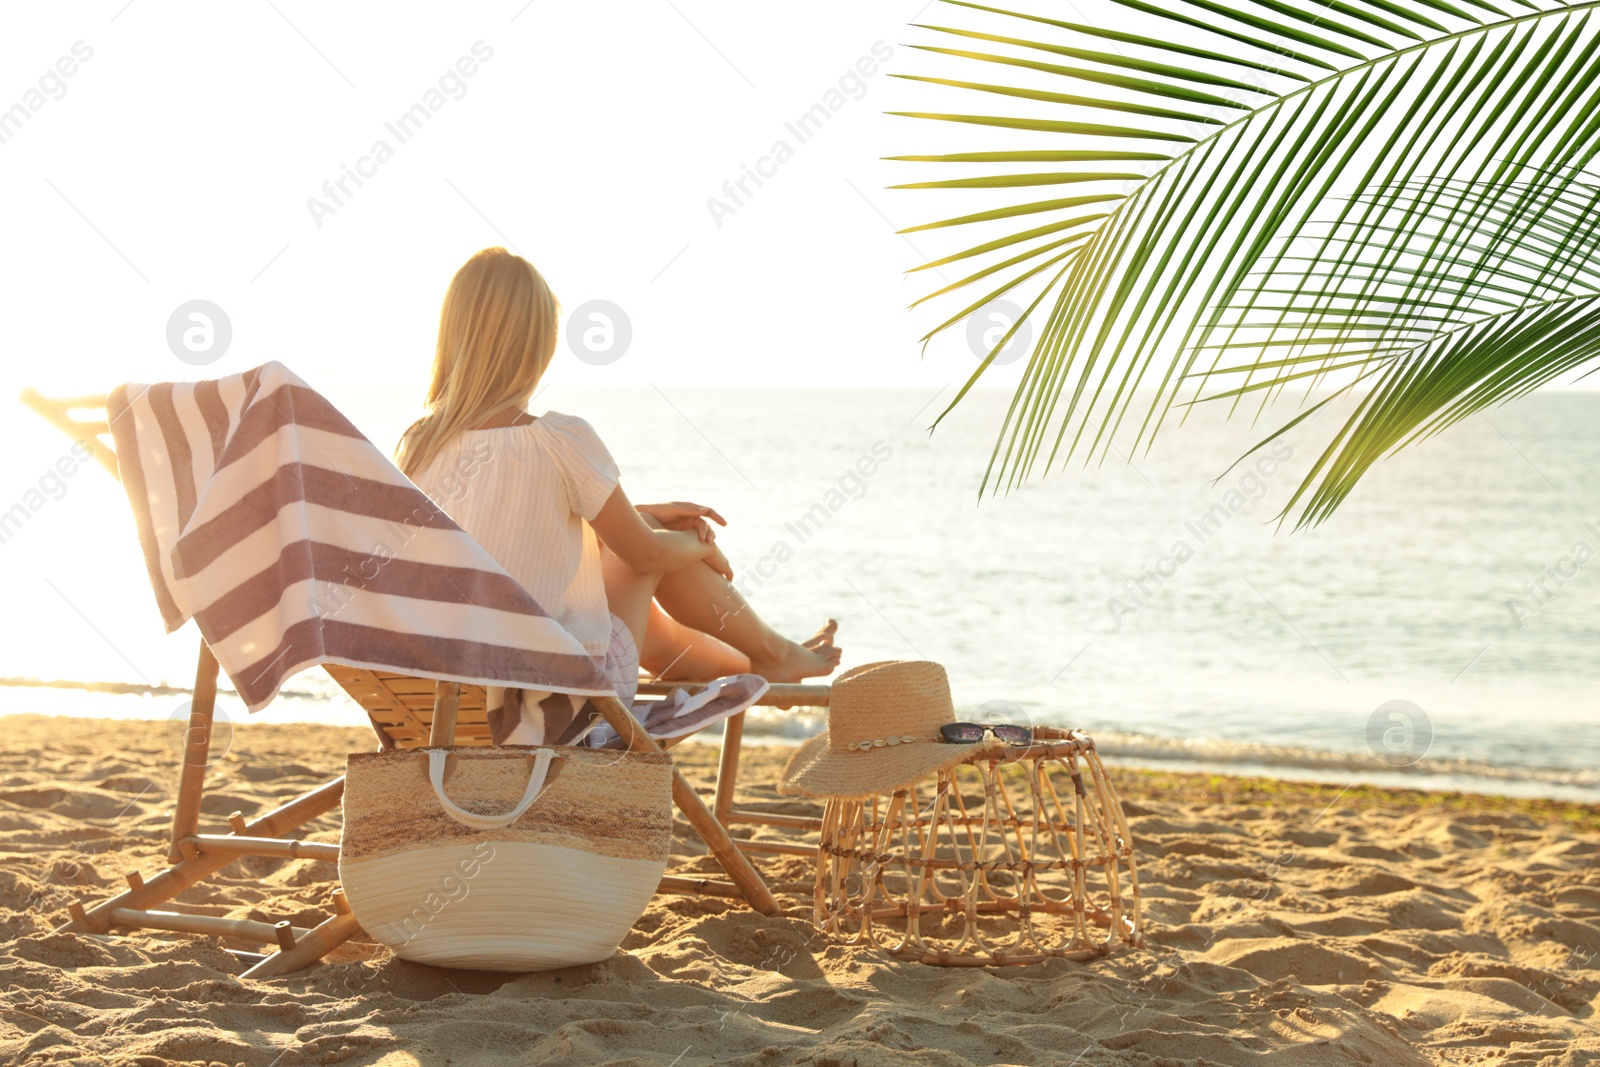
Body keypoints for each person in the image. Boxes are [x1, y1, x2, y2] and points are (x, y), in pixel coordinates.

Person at [395, 247, 841, 709]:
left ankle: (765, 663)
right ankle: (772, 657)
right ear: (536, 347)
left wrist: (636, 512)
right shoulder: (559, 438)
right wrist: (701, 544)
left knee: (637, 607)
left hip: (445, 698)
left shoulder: (416, 448)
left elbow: (506, 523)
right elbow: (645, 554)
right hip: (556, 703)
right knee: (650, 544)